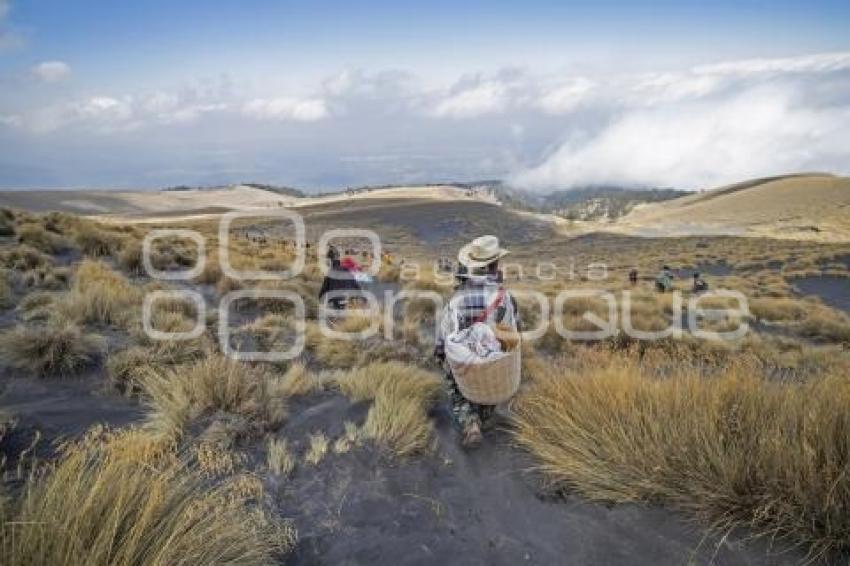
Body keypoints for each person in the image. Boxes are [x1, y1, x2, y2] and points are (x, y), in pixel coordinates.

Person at [435, 235, 519, 448]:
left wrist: (440, 355)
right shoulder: (504, 297)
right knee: (490, 374)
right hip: (492, 361)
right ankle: (488, 412)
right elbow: (511, 332)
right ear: (496, 264)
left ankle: (470, 424)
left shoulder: (456, 300)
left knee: (453, 379)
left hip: (466, 360)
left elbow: (445, 337)